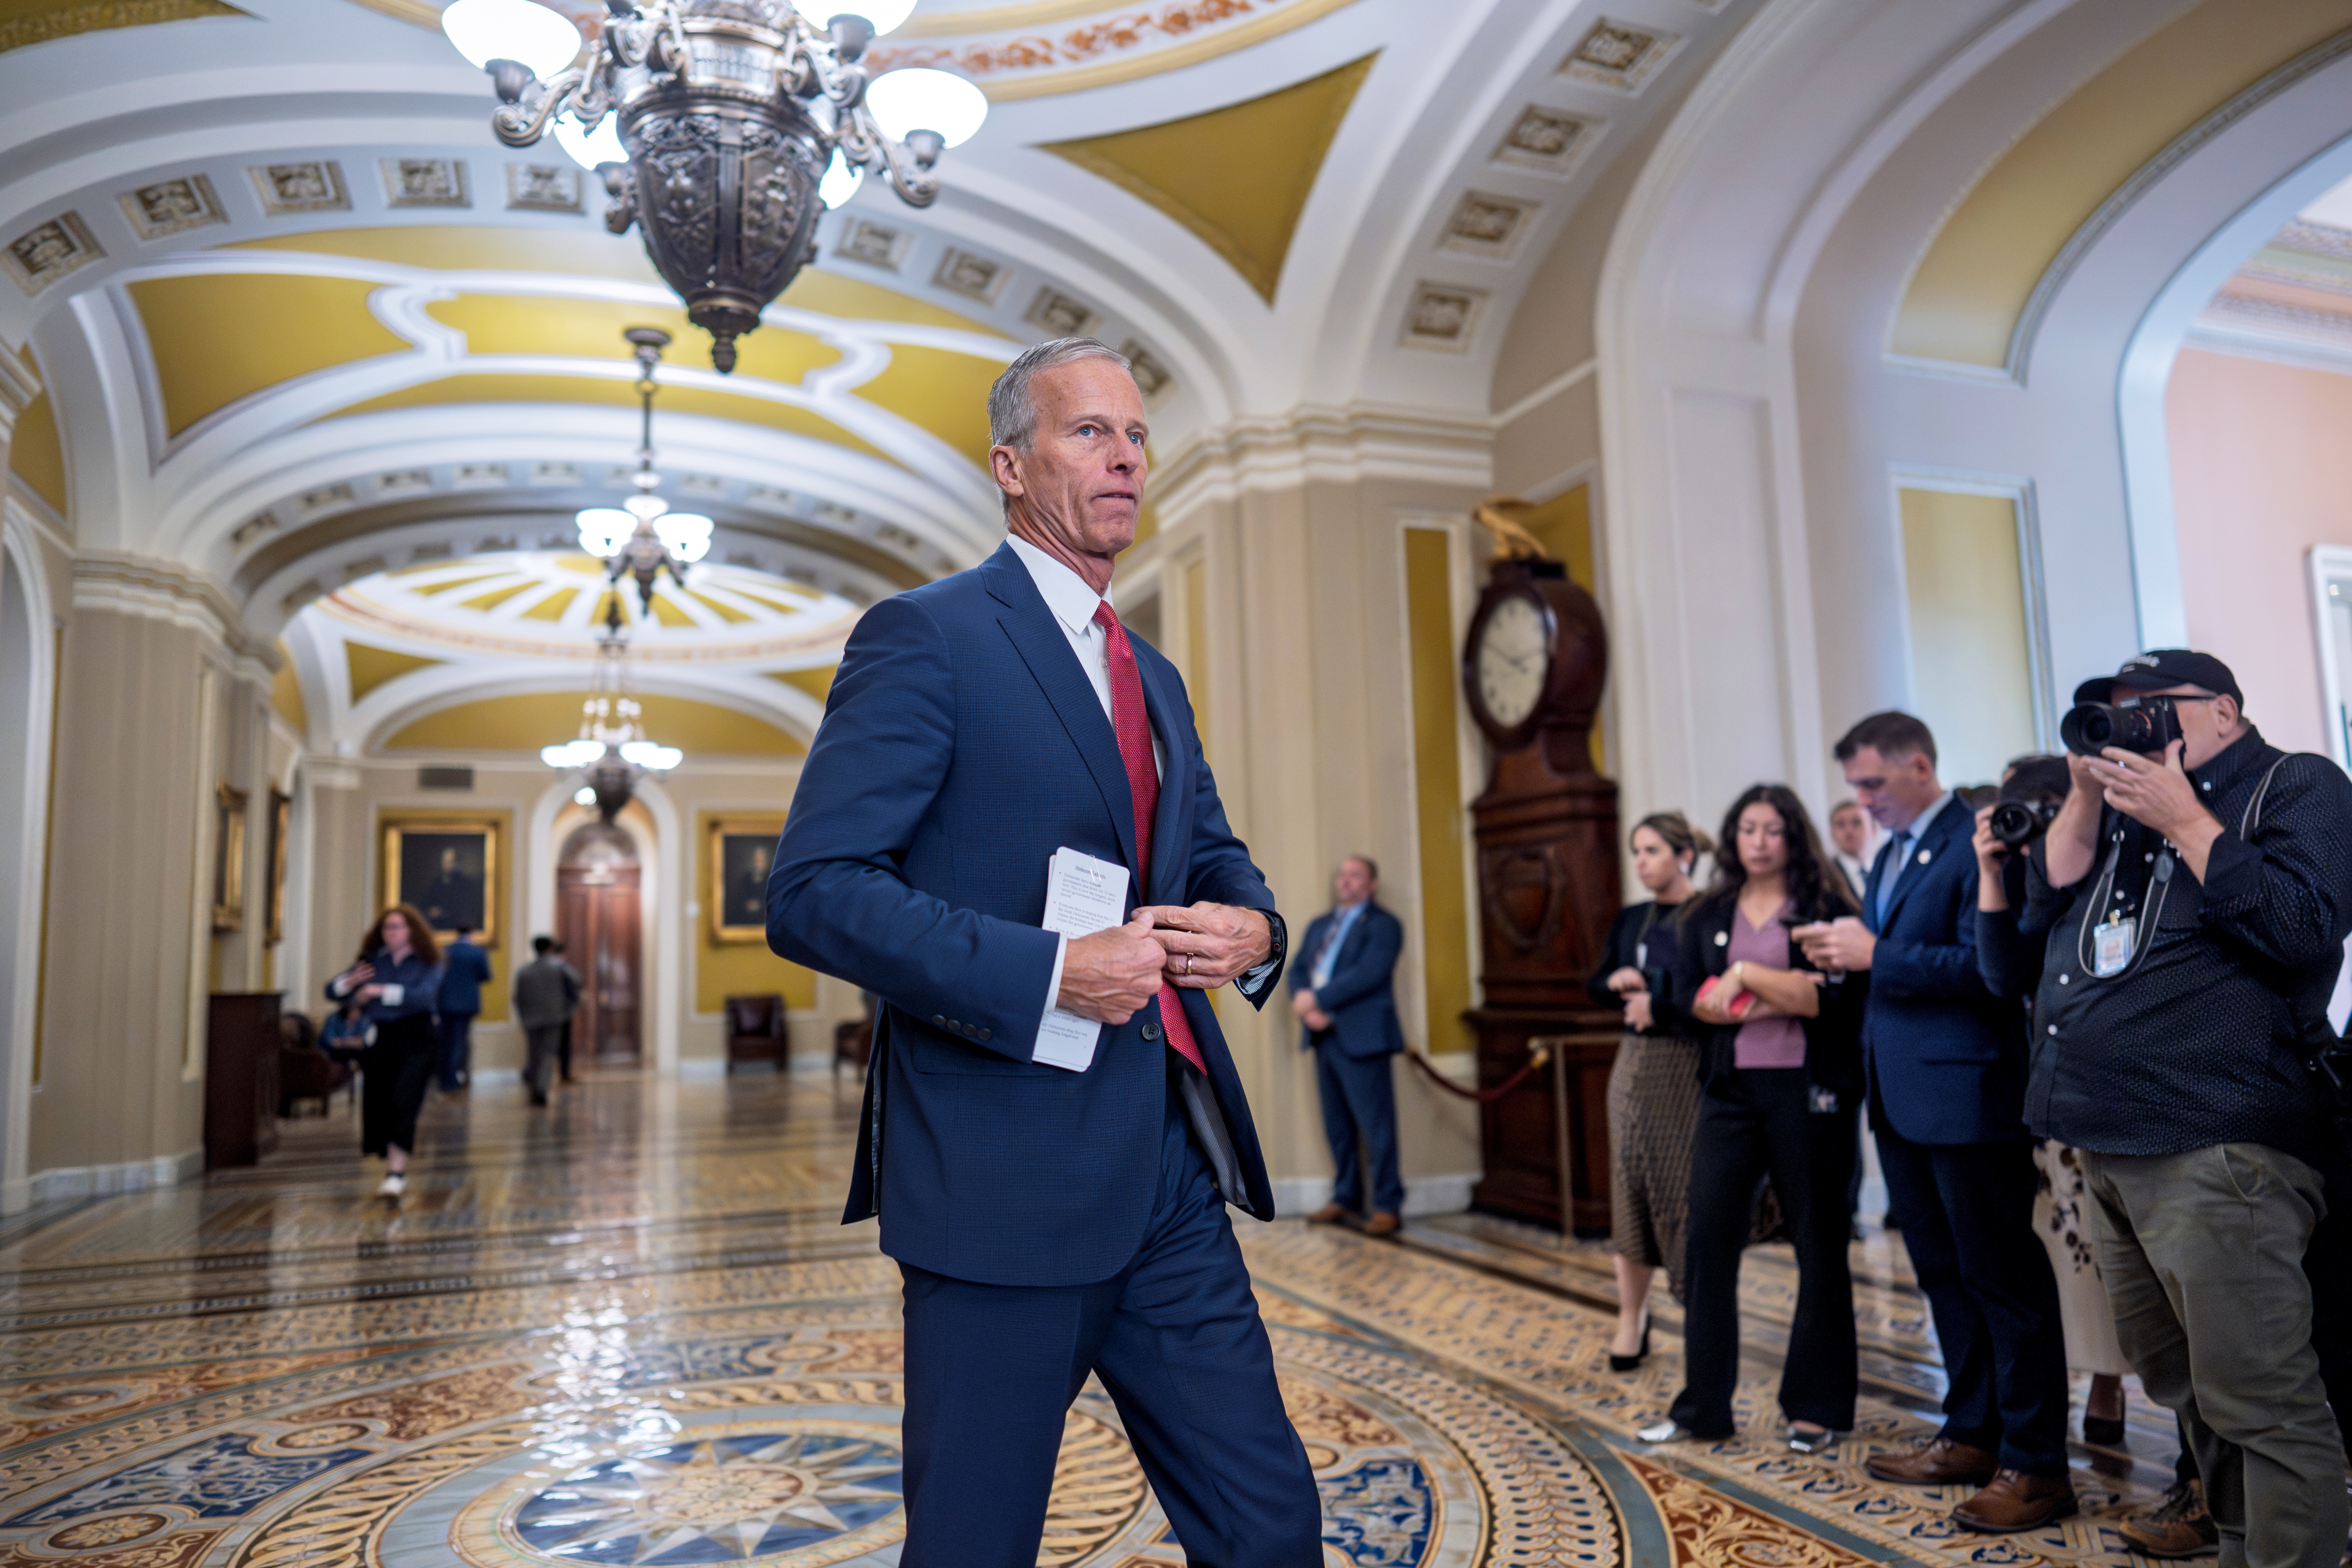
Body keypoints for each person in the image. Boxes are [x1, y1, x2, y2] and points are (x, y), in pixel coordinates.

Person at [764, 337, 1320, 1566]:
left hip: (1168, 1169)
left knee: (1271, 1520)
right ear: (1011, 466)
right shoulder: (927, 637)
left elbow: (1212, 856)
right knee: (975, 1541)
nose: (1123, 456)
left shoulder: (1153, 675)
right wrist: (1046, 973)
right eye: (1088, 432)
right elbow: (811, 894)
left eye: (1134, 436)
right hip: (997, 1176)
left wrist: (1256, 927)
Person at [2024, 649, 2352, 1568]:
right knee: (2186, 1386)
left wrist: (2189, 821)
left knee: (2259, 1394)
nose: (2139, 726)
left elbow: (2300, 925)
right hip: (2112, 1137)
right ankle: (2246, 1546)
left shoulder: (2295, 784)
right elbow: (2038, 920)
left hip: (2219, 1139)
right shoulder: (2127, 811)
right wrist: (2087, 797)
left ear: (2224, 710)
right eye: (2122, 712)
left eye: (2156, 707)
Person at [1798, 713, 2072, 1532]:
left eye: (1874, 782)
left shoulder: (1976, 839)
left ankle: (2036, 1460)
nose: (1864, 799)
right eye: (1854, 786)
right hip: (1903, 1097)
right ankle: (1971, 1430)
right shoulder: (1888, 853)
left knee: (2002, 1280)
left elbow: (1993, 970)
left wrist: (1875, 954)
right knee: (1943, 1275)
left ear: (1921, 765)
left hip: (1970, 1095)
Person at [1639, 784, 1864, 1454]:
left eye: (1773, 830)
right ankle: (1703, 1406)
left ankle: (1815, 1407)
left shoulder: (1826, 906)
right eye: (1747, 829)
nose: (1759, 841)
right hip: (1730, 1092)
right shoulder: (1708, 911)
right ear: (1733, 838)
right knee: (1708, 1241)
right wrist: (1780, 994)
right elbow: (1691, 1003)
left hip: (1809, 1092)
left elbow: (1834, 1000)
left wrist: (1744, 977)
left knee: (1819, 1245)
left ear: (1793, 837)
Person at [1967, 755, 2132, 1454]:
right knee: (2074, 1258)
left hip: (2128, 1101)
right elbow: (2003, 974)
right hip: (2054, 1104)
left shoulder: (2117, 876)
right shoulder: (2036, 890)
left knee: (2132, 1269)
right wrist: (1991, 873)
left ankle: (2159, 1426)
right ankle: (2092, 1377)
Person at [1585, 811, 1708, 1368]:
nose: (1641, 862)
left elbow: (1710, 994)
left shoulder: (1708, 913)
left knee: (1684, 1189)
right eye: (1637, 851)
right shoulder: (1633, 918)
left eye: (1652, 850)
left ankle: (1701, 1308)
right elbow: (1596, 983)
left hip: (1690, 1068)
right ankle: (1632, 1318)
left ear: (1684, 855)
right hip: (1635, 1065)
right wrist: (1614, 984)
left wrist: (1658, 1005)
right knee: (1629, 1186)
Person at [1293, 855, 1406, 1236]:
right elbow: (1297, 970)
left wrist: (1319, 1001)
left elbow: (1369, 974)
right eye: (1342, 874)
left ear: (1372, 884)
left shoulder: (1384, 925)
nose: (1346, 881)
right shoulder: (1320, 925)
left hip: (1363, 1037)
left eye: (1356, 875)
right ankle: (1346, 1197)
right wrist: (1304, 1003)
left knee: (1376, 1127)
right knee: (1337, 1126)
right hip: (1323, 1035)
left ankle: (1388, 1204)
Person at [326, 904, 442, 1199]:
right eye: (387, 927)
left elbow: (424, 997)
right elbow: (332, 991)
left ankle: (396, 1172)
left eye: (397, 926)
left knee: (405, 1100)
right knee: (381, 1101)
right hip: (382, 1037)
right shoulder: (375, 962)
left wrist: (380, 992)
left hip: (417, 1037)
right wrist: (349, 983)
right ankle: (389, 1163)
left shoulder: (428, 962)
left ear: (411, 931)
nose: (391, 932)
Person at [513, 935, 582, 1106]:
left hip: (531, 1019)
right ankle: (541, 1089)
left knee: (535, 1054)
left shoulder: (524, 971)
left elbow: (517, 998)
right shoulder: (559, 968)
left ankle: (536, 1086)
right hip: (554, 1018)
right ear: (550, 949)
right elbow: (577, 983)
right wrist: (568, 1009)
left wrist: (523, 1016)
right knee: (547, 1054)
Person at [436, 925, 493, 1091]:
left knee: (444, 1041)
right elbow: (485, 976)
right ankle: (453, 1080)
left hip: (445, 1002)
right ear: (471, 935)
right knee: (459, 1043)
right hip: (466, 1004)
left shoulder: (445, 951)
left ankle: (443, 1078)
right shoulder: (477, 952)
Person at [1828, 799, 1873, 903]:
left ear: (1873, 829)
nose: (1849, 831)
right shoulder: (1826, 874)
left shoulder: (1887, 868)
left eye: (1857, 823)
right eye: (1840, 825)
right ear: (1832, 833)